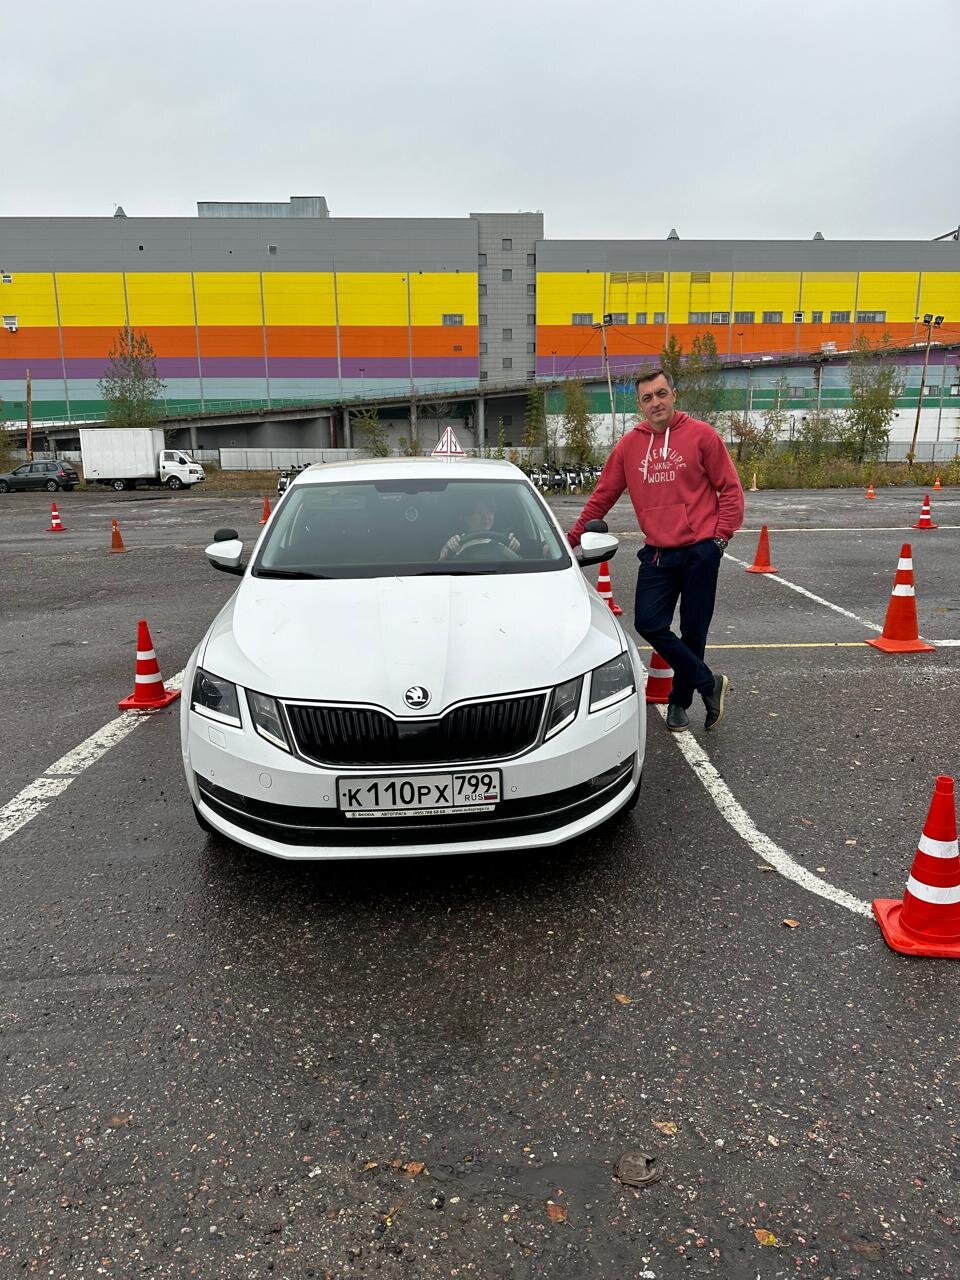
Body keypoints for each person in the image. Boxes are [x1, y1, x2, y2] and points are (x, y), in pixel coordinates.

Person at [568, 367, 744, 732]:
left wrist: (720, 539)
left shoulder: (702, 436)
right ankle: (709, 683)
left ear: (673, 395)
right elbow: (602, 497)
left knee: (694, 631)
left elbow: (730, 490)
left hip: (700, 550)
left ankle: (680, 702)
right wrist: (570, 541)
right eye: (648, 398)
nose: (656, 402)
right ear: (640, 404)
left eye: (661, 394)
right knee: (649, 622)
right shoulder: (629, 446)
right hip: (659, 553)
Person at [440, 498, 521, 560]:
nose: (486, 517)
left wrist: (514, 548)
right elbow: (442, 570)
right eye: (479, 513)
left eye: (489, 512)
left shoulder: (503, 542)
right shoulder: (456, 544)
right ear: (467, 518)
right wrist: (446, 550)